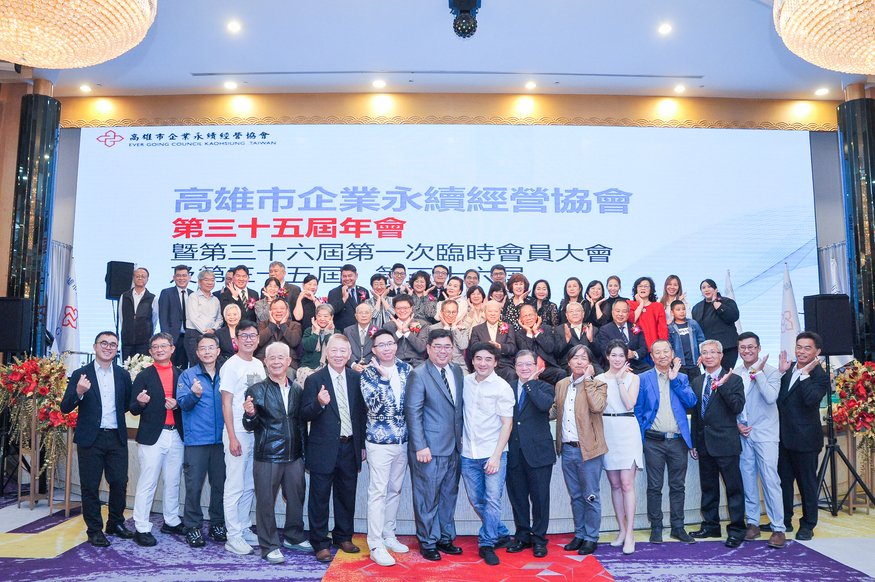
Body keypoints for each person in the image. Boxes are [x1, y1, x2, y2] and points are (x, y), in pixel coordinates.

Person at [60, 331, 134, 547]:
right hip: (91, 439)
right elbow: (65, 407)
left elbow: (127, 405)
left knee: (119, 482)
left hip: (116, 437)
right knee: (90, 486)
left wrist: (139, 402)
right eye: (104, 343)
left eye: (113, 344)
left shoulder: (123, 375)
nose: (108, 347)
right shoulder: (80, 374)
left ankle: (115, 523)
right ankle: (94, 530)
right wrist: (79, 392)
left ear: (116, 349)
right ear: (95, 347)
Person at [241, 342, 311, 564]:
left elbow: (301, 424)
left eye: (281, 357)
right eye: (272, 358)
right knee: (266, 501)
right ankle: (269, 545)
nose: (277, 362)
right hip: (268, 455)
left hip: (294, 456)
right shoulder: (256, 390)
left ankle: (294, 536)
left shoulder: (298, 390)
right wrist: (250, 415)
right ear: (266, 362)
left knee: (297, 497)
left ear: (289, 361)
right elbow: (249, 425)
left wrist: (304, 455)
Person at [301, 334, 366, 563]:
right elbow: (304, 414)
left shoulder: (356, 378)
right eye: (334, 350)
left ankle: (343, 537)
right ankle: (320, 542)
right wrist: (319, 403)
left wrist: (361, 445)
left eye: (343, 351)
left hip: (350, 446)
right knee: (319, 497)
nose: (338, 355)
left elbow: (361, 415)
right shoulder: (314, 379)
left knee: (346, 495)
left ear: (349, 354)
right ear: (327, 353)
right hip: (323, 448)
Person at [404, 329, 465, 562]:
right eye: (437, 346)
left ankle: (445, 538)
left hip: (454, 447)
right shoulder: (418, 374)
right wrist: (420, 446)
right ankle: (427, 541)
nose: (442, 351)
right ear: (428, 348)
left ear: (452, 349)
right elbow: (413, 412)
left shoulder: (457, 371)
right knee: (427, 497)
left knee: (449, 496)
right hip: (428, 449)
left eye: (447, 346)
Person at [634, 339, 698, 545]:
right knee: (654, 486)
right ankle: (656, 527)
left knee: (678, 486)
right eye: (657, 352)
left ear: (672, 354)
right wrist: (640, 439)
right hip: (653, 442)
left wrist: (675, 379)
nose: (662, 355)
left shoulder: (682, 378)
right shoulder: (643, 378)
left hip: (678, 442)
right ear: (652, 357)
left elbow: (691, 402)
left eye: (665, 352)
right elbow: (638, 410)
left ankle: (678, 527)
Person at [360, 329, 413, 566]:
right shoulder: (368, 373)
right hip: (379, 442)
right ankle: (375, 544)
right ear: (374, 350)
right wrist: (383, 379)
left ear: (396, 345)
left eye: (390, 343)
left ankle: (389, 534)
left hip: (403, 441)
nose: (387, 348)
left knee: (395, 490)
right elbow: (373, 406)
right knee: (378, 492)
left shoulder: (406, 369)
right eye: (381, 345)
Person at [128, 332, 185, 546]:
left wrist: (178, 405)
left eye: (164, 346)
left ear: (172, 348)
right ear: (150, 352)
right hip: (153, 435)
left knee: (173, 480)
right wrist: (141, 403)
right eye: (155, 347)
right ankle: (141, 527)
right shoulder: (144, 375)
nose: (160, 350)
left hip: (176, 434)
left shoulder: (181, 374)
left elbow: (187, 404)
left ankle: (171, 520)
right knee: (148, 481)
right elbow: (133, 408)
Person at [461, 343, 514, 566]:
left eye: (488, 359)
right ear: (472, 360)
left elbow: (507, 424)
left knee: (492, 500)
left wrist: (496, 456)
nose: (483, 363)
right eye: (479, 358)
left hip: (493, 453)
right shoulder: (465, 382)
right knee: (477, 500)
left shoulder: (502, 387)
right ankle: (501, 532)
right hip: (468, 453)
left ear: (495, 362)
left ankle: (487, 543)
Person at [689, 339, 746, 548]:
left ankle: (737, 529)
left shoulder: (734, 379)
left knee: (733, 489)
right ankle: (711, 525)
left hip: (726, 443)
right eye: (705, 352)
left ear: (721, 355)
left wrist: (721, 386)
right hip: (704, 443)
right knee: (709, 488)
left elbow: (737, 407)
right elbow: (696, 415)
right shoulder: (697, 381)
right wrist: (694, 442)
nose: (709, 356)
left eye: (713, 352)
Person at [554, 344, 607, 556]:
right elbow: (554, 410)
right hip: (567, 449)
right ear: (569, 362)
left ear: (590, 363)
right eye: (575, 357)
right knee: (575, 496)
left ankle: (591, 537)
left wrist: (588, 380)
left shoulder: (598, 384)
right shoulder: (561, 384)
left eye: (584, 358)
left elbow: (597, 407)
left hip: (589, 450)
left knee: (590, 496)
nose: (579, 361)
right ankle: (580, 533)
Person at [218, 320, 266, 555]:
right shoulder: (230, 365)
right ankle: (233, 536)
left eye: (252, 335)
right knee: (234, 485)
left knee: (249, 484)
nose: (249, 339)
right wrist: (232, 436)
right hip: (237, 432)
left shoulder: (258, 364)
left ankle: (244, 527)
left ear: (258, 339)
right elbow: (226, 403)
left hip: (255, 432)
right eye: (244, 335)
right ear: (236, 339)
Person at [734, 332, 786, 548]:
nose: (747, 351)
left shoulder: (772, 372)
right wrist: (737, 424)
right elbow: (733, 405)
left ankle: (778, 528)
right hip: (743, 434)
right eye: (743, 347)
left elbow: (771, 397)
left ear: (758, 348)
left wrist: (758, 372)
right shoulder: (735, 373)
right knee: (747, 480)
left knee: (770, 480)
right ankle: (753, 523)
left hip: (765, 435)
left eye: (751, 347)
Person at [776, 331, 829, 541]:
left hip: (806, 441)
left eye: (807, 348)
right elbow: (780, 400)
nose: (801, 351)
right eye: (799, 347)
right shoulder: (788, 369)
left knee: (807, 485)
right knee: (784, 483)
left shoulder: (820, 376)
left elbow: (810, 400)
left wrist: (806, 374)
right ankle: (784, 520)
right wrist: (781, 373)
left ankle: (808, 524)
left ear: (817, 351)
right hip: (784, 439)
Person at [176, 333, 227, 548]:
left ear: (218, 351)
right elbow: (182, 404)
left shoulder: (226, 373)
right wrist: (194, 395)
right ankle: (193, 527)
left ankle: (217, 524)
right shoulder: (188, 376)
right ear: (197, 353)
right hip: (196, 441)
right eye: (203, 348)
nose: (207, 351)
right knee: (194, 487)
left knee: (220, 486)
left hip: (222, 441)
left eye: (211, 347)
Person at [505, 350, 556, 558]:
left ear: (536, 366)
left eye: (528, 364)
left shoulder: (545, 387)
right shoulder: (507, 388)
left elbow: (544, 405)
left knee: (540, 499)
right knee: (518, 499)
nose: (524, 368)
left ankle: (539, 539)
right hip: (514, 452)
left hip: (539, 453)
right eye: (520, 364)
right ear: (515, 367)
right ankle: (522, 536)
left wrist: (530, 384)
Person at [599, 339, 643, 555]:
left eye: (621, 355)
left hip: (627, 428)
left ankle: (631, 533)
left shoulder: (633, 378)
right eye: (614, 355)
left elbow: (629, 403)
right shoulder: (598, 379)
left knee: (627, 483)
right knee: (615, 484)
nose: (617, 359)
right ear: (607, 356)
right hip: (607, 430)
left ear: (627, 358)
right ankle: (622, 530)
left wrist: (619, 381)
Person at [692, 279, 741, 369]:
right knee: (711, 376)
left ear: (715, 289)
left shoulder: (727, 302)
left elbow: (733, 317)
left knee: (725, 375)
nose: (706, 289)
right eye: (703, 288)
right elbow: (696, 330)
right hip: (707, 352)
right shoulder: (696, 308)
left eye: (709, 287)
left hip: (727, 349)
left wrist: (716, 303)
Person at [594, 300, 649, 374]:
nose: (620, 314)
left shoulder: (636, 327)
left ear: (628, 313)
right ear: (612, 312)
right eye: (617, 311)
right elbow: (605, 352)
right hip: (614, 366)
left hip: (635, 366)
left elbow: (644, 348)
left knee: (650, 372)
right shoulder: (605, 330)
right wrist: (620, 366)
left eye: (624, 311)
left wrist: (634, 354)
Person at [515, 304, 564, 386]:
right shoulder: (519, 334)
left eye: (530, 315)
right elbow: (527, 353)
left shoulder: (547, 329)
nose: (528, 318)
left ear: (536, 316)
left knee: (561, 373)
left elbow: (549, 348)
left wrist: (536, 332)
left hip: (547, 367)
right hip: (528, 369)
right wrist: (529, 333)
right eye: (525, 316)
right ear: (520, 320)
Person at [470, 300, 517, 382]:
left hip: (503, 365)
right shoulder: (477, 329)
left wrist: (500, 347)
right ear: (485, 313)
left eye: (496, 311)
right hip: (483, 364)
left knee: (511, 373)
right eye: (490, 311)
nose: (493, 314)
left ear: (500, 313)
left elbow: (512, 348)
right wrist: (487, 347)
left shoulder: (508, 327)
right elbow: (473, 348)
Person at [119, 267, 159, 361]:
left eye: (143, 276)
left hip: (144, 341)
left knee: (143, 365)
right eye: (137, 276)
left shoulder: (152, 298)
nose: (140, 278)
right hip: (127, 340)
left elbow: (154, 319)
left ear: (147, 279)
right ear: (133, 278)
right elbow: (122, 318)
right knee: (126, 365)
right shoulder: (124, 296)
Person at [185, 269, 223, 367]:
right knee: (197, 366)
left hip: (212, 335)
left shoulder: (216, 299)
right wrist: (206, 331)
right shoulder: (193, 297)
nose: (210, 283)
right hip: (194, 335)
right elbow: (194, 318)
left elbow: (219, 319)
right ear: (199, 282)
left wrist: (213, 329)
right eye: (206, 280)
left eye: (212, 280)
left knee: (211, 365)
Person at [158, 264, 192, 368]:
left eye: (184, 275)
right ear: (174, 277)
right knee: (169, 367)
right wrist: (167, 339)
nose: (181, 278)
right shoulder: (166, 293)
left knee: (184, 368)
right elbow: (163, 317)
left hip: (188, 338)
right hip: (172, 338)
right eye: (178, 275)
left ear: (189, 277)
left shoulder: (193, 294)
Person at [383, 294, 428, 367]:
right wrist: (399, 332)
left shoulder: (422, 324)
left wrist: (407, 332)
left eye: (405, 308)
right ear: (394, 309)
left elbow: (422, 348)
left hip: (417, 364)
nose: (402, 311)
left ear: (411, 309)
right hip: (394, 363)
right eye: (398, 308)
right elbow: (385, 348)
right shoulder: (388, 326)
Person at [255, 298, 302, 367]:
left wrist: (283, 325)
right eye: (275, 308)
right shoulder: (262, 325)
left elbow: (294, 342)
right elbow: (259, 341)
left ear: (287, 311)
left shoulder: (295, 325)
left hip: (288, 365)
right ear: (270, 311)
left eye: (282, 308)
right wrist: (272, 325)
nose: (279, 311)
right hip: (265, 363)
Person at [667, 300, 705, 381]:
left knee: (696, 384)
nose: (682, 311)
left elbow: (701, 340)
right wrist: (673, 358)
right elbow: (669, 345)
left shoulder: (693, 323)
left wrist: (702, 355)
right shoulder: (670, 327)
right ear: (672, 312)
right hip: (680, 365)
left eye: (683, 309)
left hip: (694, 363)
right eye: (678, 310)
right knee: (681, 385)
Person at [298, 303, 336, 383]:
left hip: (328, 367)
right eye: (319, 316)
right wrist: (316, 332)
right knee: (310, 379)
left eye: (326, 316)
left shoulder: (336, 333)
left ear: (331, 317)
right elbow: (308, 347)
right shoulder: (308, 331)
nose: (322, 319)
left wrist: (327, 332)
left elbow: (332, 348)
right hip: (308, 367)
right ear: (316, 317)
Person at [628, 276, 668, 351]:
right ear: (636, 289)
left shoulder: (658, 306)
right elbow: (632, 319)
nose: (643, 288)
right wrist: (641, 304)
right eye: (640, 286)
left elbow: (662, 329)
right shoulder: (630, 304)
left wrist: (663, 347)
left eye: (646, 286)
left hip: (654, 348)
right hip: (636, 349)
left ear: (651, 289)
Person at [328, 263, 370, 331]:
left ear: (356, 276)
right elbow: (331, 311)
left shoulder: (363, 291)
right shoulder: (334, 292)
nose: (347, 278)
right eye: (344, 276)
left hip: (361, 330)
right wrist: (344, 298)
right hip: (342, 331)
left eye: (350, 276)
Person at [429, 299, 469, 368]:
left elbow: (463, 346)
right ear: (441, 313)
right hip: (438, 365)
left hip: (459, 366)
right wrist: (446, 328)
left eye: (454, 312)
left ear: (457, 313)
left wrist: (454, 328)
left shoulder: (463, 328)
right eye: (448, 312)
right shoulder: (433, 328)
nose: (451, 315)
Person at [556, 301, 594, 368]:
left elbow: (598, 353)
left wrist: (591, 340)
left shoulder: (591, 328)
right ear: (566, 315)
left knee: (600, 372)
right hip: (568, 364)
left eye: (577, 311)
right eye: (571, 311)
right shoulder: (559, 329)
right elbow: (557, 352)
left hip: (589, 363)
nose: (575, 313)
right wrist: (566, 340)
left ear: (583, 313)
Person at [344, 302, 376, 371]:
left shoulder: (378, 331)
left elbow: (380, 351)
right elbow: (345, 350)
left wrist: (371, 365)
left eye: (366, 313)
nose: (363, 315)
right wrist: (353, 365)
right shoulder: (347, 331)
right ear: (356, 316)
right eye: (361, 313)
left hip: (372, 367)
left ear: (371, 315)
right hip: (352, 368)